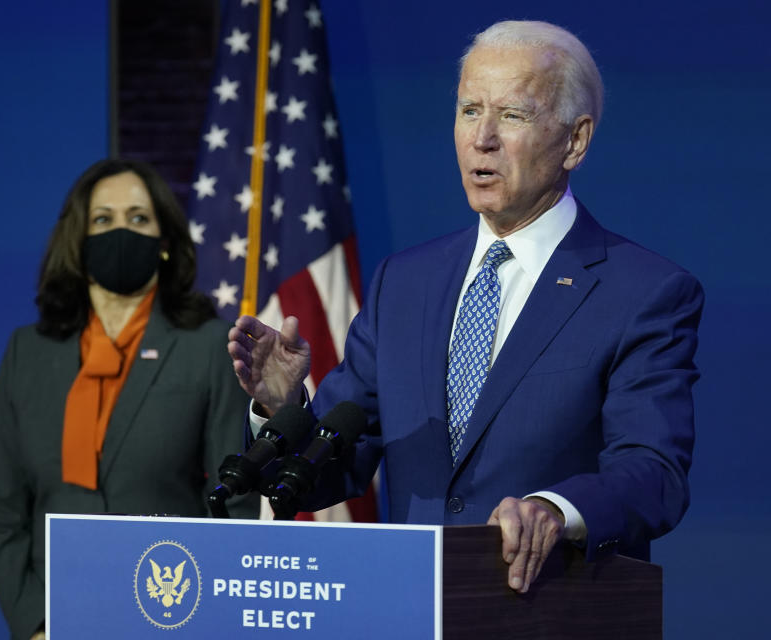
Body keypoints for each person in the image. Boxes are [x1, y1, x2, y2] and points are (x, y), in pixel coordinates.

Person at [228, 20, 703, 594]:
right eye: (470, 110)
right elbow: (331, 471)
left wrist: (555, 510)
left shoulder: (642, 292)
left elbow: (653, 473)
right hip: (410, 606)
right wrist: (285, 409)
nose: (483, 138)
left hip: (548, 613)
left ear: (575, 140)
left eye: (513, 115)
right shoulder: (403, 283)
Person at [0, 158, 257, 640]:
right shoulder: (29, 351)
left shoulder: (208, 345)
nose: (120, 231)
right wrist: (35, 624)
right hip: (55, 619)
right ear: (78, 240)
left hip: (171, 615)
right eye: (102, 219)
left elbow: (236, 506)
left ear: (165, 242)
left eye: (138, 218)